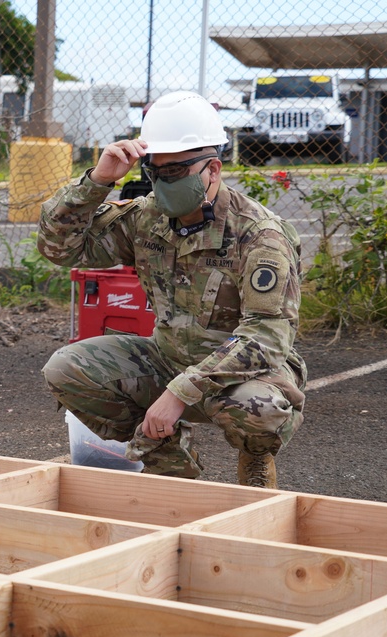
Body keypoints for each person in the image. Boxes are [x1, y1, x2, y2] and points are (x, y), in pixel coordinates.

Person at [38, 91, 306, 488]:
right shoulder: (148, 218)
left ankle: (255, 457)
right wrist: (98, 181)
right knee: (66, 369)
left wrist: (180, 392)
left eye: (176, 172)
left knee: (259, 409)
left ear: (212, 170)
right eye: (155, 172)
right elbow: (59, 248)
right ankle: (170, 461)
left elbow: (266, 337)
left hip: (241, 371)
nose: (163, 183)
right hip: (166, 355)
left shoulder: (259, 234)